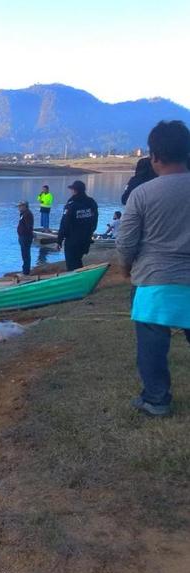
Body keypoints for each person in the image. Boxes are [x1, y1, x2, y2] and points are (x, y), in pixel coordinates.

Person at [116, 120, 190, 418]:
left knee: (152, 344)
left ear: (155, 156)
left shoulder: (143, 194)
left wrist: (125, 269)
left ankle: (157, 399)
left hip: (154, 280)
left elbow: (126, 241)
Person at [56, 180, 98, 271]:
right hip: (86, 239)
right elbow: (95, 220)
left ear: (75, 190)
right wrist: (90, 233)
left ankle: (78, 282)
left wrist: (59, 240)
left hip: (72, 240)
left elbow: (64, 224)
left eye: (72, 189)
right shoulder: (91, 202)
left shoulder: (71, 204)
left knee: (72, 265)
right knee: (78, 260)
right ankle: (81, 281)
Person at [17, 200, 34, 275]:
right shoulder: (23, 214)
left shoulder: (27, 214)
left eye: (20, 206)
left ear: (25, 206)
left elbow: (29, 227)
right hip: (22, 237)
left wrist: (25, 235)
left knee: (26, 254)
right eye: (19, 206)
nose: (19, 208)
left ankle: (26, 272)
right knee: (24, 254)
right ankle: (25, 270)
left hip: (25, 237)